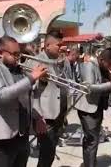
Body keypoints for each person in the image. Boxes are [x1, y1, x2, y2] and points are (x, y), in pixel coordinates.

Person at [0, 36, 47, 167]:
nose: (18, 57)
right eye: (15, 54)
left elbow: (31, 94)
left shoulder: (17, 69)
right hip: (0, 139)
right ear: (0, 53)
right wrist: (31, 78)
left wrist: (42, 82)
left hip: (21, 135)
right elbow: (2, 95)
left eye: (19, 54)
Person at [27, 30, 70, 167]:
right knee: (46, 155)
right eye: (58, 45)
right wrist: (38, 117)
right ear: (47, 45)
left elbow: (64, 83)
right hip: (45, 117)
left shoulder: (57, 60)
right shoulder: (35, 61)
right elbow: (30, 93)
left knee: (49, 154)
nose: (61, 48)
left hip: (58, 114)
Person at [76, 47, 111, 167]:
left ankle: (91, 163)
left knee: (94, 140)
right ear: (102, 59)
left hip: (98, 107)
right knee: (91, 140)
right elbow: (89, 87)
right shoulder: (89, 66)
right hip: (88, 108)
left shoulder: (103, 69)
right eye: (110, 63)